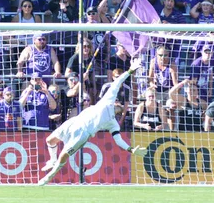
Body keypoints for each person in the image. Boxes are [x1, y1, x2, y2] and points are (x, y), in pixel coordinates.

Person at [38, 58, 147, 186]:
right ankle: (52, 160)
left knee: (64, 155)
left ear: (121, 109)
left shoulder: (113, 123)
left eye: (120, 104)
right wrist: (130, 70)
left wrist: (131, 149)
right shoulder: (107, 101)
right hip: (74, 122)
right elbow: (118, 82)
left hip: (84, 133)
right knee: (50, 140)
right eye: (116, 101)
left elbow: (118, 140)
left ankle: (49, 177)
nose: (117, 102)